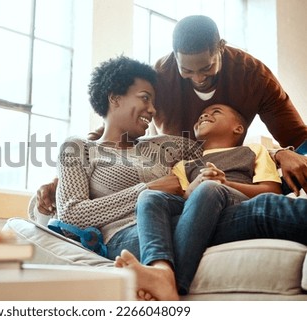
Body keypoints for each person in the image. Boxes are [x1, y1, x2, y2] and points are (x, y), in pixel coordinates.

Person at [35, 14, 307, 215]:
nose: (198, 78)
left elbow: (298, 137)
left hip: (232, 173)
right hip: (173, 179)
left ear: (220, 47)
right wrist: (63, 179)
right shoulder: (161, 77)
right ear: (175, 57)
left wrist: (281, 153)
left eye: (206, 68)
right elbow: (115, 127)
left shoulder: (252, 75)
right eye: (187, 71)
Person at [55, 55, 201, 300]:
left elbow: (206, 149)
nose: (153, 110)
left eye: (154, 102)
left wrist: (278, 153)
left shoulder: (159, 146)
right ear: (115, 98)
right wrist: (148, 189)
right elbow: (72, 214)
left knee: (266, 207)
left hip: (181, 216)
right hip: (128, 235)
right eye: (145, 98)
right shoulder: (79, 148)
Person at [115, 103, 289, 300]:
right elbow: (183, 199)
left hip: (234, 202)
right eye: (202, 114)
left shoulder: (253, 150)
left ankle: (172, 283)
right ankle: (160, 268)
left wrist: (225, 183)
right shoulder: (184, 164)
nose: (205, 115)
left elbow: (272, 190)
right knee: (149, 196)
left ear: (238, 128)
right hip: (200, 207)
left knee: (210, 187)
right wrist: (193, 187)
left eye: (215, 112)